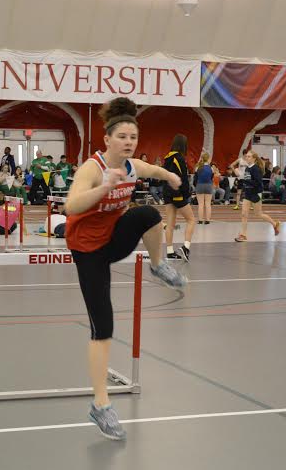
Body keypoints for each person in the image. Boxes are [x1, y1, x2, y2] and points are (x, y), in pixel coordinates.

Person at [65, 97, 187, 441]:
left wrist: (172, 178)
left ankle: (159, 265)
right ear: (107, 139)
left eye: (133, 136)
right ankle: (100, 405)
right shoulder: (92, 167)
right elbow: (71, 205)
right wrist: (104, 186)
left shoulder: (133, 166)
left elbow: (154, 171)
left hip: (113, 241)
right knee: (103, 327)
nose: (128, 141)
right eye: (122, 136)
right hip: (88, 250)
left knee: (148, 214)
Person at [234, 151, 280, 242]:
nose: (247, 158)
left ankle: (275, 224)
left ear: (254, 158)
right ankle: (243, 235)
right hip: (248, 194)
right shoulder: (247, 168)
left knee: (258, 214)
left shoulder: (256, 169)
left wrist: (243, 178)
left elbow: (258, 183)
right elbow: (247, 181)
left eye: (249, 157)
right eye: (246, 156)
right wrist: (240, 181)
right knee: (244, 214)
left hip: (255, 194)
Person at [163, 134, 196, 261]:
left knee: (170, 224)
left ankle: (170, 252)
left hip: (167, 194)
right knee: (191, 220)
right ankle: (186, 247)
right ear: (183, 145)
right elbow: (182, 179)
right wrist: (186, 194)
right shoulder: (179, 159)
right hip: (177, 194)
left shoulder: (167, 158)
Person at [195, 152, 214, 224]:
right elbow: (211, 177)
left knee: (200, 204)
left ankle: (200, 220)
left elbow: (196, 178)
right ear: (208, 159)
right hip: (208, 185)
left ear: (202, 158)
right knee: (208, 204)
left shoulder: (198, 167)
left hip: (200, 185)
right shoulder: (211, 168)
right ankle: (207, 220)